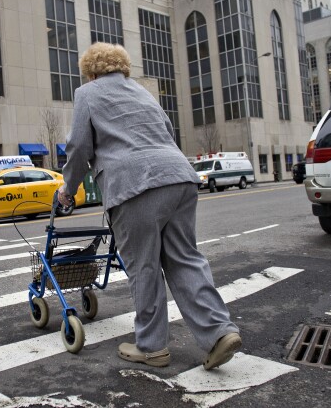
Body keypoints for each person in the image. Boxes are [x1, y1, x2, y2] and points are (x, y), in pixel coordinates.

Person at [58, 42, 241, 370]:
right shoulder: (142, 93)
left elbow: (79, 146)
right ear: (122, 67)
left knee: (144, 266)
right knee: (185, 257)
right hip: (178, 176)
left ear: (91, 71)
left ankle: (152, 346)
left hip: (134, 185)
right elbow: (167, 132)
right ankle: (218, 332)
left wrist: (67, 189)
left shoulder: (87, 93)